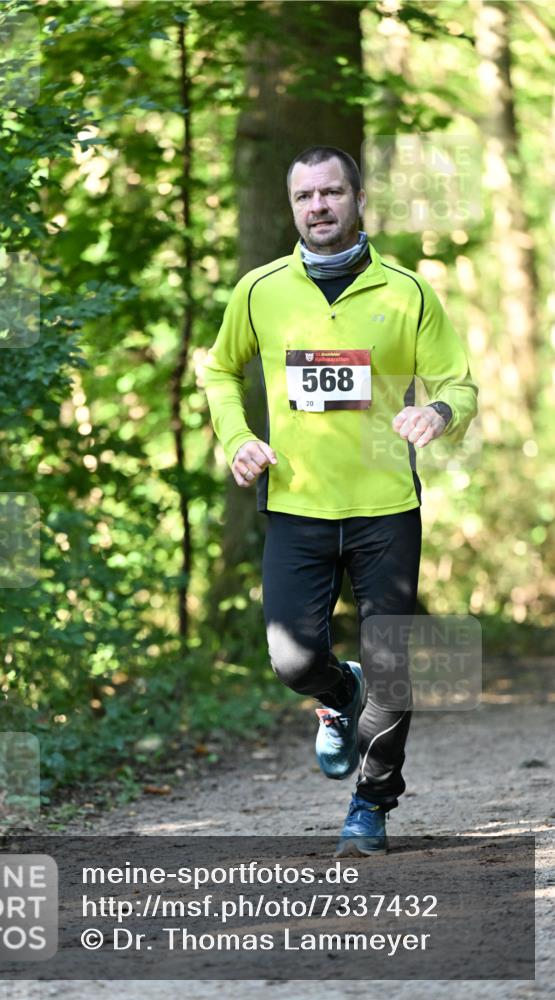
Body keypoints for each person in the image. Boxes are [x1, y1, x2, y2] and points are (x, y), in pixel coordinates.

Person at [202, 146, 478, 857]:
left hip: (384, 502)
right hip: (294, 501)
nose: (318, 206)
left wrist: (439, 414)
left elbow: (458, 382)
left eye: (331, 193)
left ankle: (371, 804)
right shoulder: (259, 290)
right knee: (292, 661)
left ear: (358, 199)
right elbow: (218, 369)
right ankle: (337, 690)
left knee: (393, 659)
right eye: (304, 197)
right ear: (291, 207)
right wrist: (236, 436)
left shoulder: (407, 292)